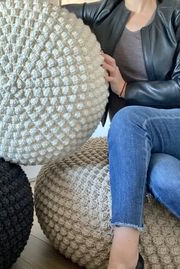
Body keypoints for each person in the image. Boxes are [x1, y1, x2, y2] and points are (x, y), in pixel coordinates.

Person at [63, 0, 180, 268]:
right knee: (164, 179)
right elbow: (41, 15)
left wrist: (127, 88)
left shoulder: (175, 12)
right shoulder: (104, 10)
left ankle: (124, 258)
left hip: (172, 125)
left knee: (128, 119)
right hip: (145, 142)